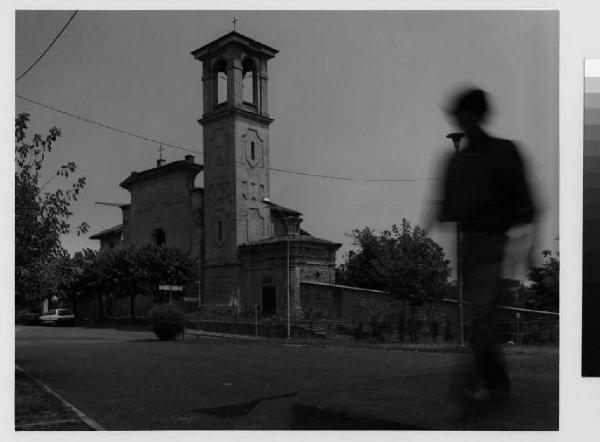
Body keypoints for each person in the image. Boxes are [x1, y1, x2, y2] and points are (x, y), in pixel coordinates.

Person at [437, 87, 538, 401]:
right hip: (473, 244)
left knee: (481, 316)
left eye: (466, 116)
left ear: (476, 115)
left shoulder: (503, 152)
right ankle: (493, 382)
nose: (464, 123)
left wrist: (528, 247)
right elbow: (448, 208)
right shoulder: (461, 161)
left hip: (493, 242)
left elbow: (526, 204)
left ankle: (477, 384)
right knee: (481, 315)